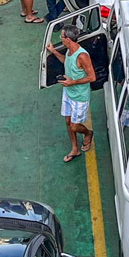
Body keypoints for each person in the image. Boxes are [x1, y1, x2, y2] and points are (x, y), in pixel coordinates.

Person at [46, 25, 95, 162]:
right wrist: (54, 51)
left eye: (61, 36)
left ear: (68, 39)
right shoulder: (69, 51)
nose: (60, 39)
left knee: (74, 125)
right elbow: (66, 61)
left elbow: (92, 77)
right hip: (67, 93)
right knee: (68, 121)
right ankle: (75, 149)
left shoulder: (82, 56)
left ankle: (88, 133)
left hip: (79, 96)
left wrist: (72, 82)